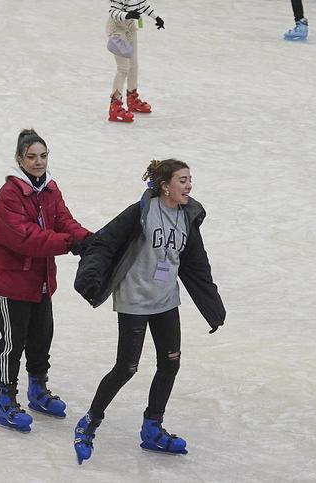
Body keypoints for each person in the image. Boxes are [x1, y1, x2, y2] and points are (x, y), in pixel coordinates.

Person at [72, 159, 225, 463]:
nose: (189, 185)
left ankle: (152, 428)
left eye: (190, 179)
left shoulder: (187, 217)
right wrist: (90, 278)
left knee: (170, 364)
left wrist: (213, 307)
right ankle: (89, 421)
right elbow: (104, 242)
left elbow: (197, 264)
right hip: (134, 301)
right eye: (182, 180)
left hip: (166, 301)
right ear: (165, 185)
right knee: (126, 368)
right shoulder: (141, 212)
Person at [0, 129, 91, 433]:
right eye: (31, 157)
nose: (38, 162)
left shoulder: (50, 189)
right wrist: (69, 243)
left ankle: (37, 390)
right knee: (14, 342)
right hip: (11, 280)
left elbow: (64, 219)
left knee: (42, 336)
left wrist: (88, 239)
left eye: (43, 156)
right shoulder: (10, 194)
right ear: (19, 159)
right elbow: (25, 237)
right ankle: (6, 398)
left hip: (40, 279)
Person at [105, 0, 162, 123]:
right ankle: (115, 106)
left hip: (130, 27)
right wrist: (127, 14)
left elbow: (142, 5)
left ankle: (132, 98)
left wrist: (156, 17)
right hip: (116, 28)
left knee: (134, 65)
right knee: (123, 67)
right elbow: (113, 11)